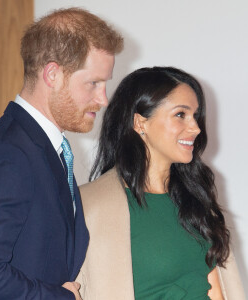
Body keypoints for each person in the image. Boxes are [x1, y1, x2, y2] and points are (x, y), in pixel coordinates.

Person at [0, 8, 123, 299]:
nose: (103, 99)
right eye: (94, 83)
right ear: (53, 74)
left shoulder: (40, 147)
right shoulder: (8, 155)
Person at [76, 67, 242, 299]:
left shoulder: (196, 199)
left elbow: (215, 289)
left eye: (195, 116)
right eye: (181, 114)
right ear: (140, 123)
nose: (195, 128)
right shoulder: (90, 207)